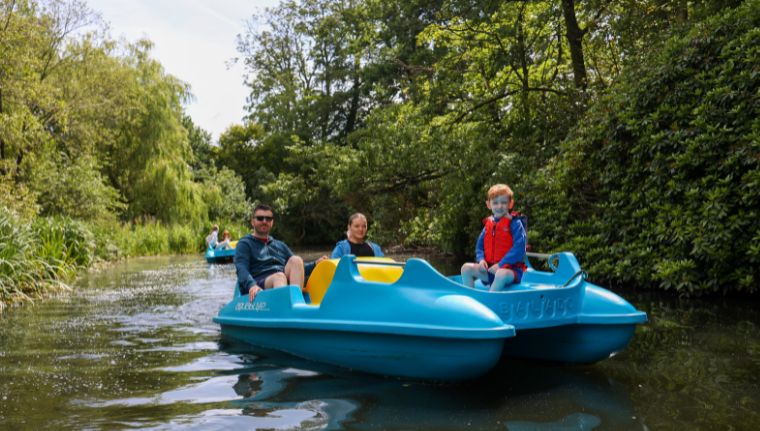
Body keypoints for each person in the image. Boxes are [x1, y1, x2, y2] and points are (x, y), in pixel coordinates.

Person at [236, 204, 327, 301]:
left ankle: (296, 302)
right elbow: (241, 269)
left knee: (296, 260)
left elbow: (300, 269)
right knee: (279, 277)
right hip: (260, 283)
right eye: (260, 218)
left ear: (272, 222)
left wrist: (315, 264)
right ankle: (285, 307)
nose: (264, 221)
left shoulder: (280, 245)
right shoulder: (244, 244)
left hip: (281, 281)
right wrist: (251, 285)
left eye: (268, 218)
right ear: (252, 221)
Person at [461, 184, 527, 291]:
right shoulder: (488, 225)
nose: (499, 206)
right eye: (495, 203)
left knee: (500, 274)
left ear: (510, 204)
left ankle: (490, 299)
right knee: (466, 268)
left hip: (510, 271)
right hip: (491, 270)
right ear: (488, 205)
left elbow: (519, 249)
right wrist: (481, 260)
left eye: (503, 202)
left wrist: (500, 265)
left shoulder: (515, 223)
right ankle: (470, 298)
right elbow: (479, 247)